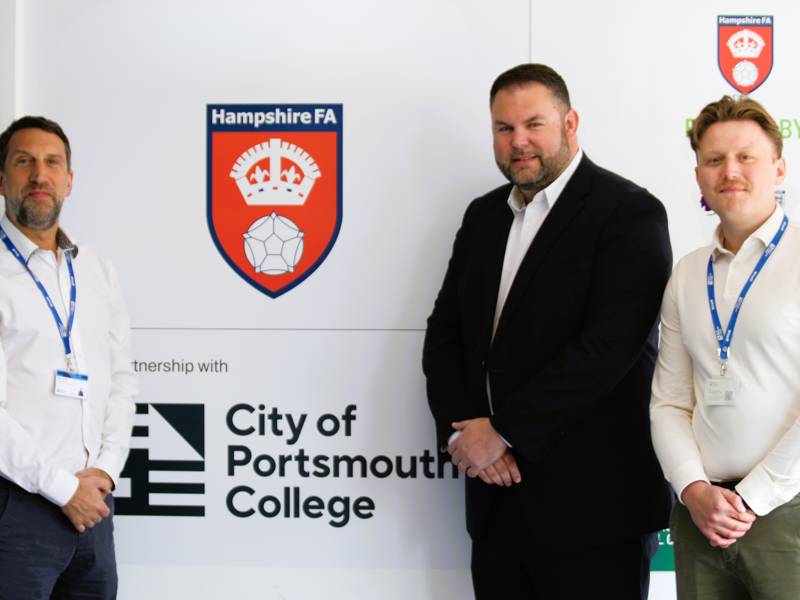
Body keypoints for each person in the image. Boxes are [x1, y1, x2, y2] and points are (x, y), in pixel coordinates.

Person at [422, 63, 673, 599]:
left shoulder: (629, 213)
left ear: (570, 123)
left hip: (596, 512)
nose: (519, 141)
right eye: (504, 128)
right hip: (496, 505)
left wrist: (504, 431)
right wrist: (464, 435)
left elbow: (608, 348)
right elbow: (445, 338)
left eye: (534, 124)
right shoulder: (483, 217)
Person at [651, 95, 800, 599]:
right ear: (699, 176)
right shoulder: (688, 273)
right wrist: (693, 489)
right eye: (714, 160)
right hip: (700, 518)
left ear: (778, 167)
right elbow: (670, 402)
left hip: (787, 514)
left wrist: (752, 499)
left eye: (745, 157)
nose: (729, 171)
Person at [0, 116, 137, 599]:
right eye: (24, 161)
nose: (40, 175)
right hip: (16, 510)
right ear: (1, 179)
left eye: (52, 162)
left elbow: (121, 381)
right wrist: (63, 489)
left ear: (70, 180)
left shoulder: (97, 270)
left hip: (93, 512)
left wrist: (104, 472)